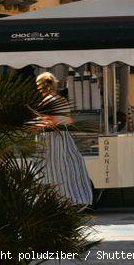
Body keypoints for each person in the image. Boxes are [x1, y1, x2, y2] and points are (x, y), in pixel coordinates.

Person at [35, 72, 94, 207]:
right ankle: (73, 198)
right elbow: (69, 120)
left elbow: (48, 121)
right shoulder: (62, 100)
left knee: (49, 171)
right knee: (66, 169)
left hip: (50, 138)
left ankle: (53, 201)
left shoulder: (45, 102)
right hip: (64, 137)